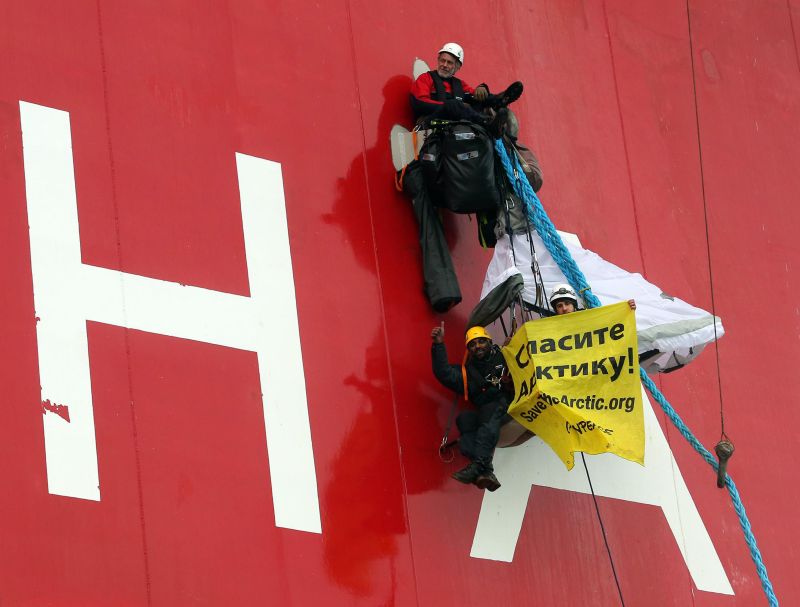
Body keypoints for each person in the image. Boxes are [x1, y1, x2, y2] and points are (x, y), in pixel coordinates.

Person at [430, 324, 514, 491]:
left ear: (490, 342)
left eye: (481, 341)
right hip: (487, 414)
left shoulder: (505, 355)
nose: (477, 346)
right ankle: (486, 472)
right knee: (465, 420)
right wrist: (438, 344)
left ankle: (478, 466)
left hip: (509, 408)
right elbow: (444, 373)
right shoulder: (467, 373)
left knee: (489, 412)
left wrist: (515, 348)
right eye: (472, 344)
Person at [410, 42, 524, 136]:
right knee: (454, 104)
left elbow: (474, 95)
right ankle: (487, 123)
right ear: (438, 60)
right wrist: (448, 107)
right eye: (442, 60)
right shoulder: (426, 78)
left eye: (449, 62)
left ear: (457, 66)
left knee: (479, 101)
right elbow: (419, 103)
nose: (444, 65)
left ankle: (501, 100)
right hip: (431, 121)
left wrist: (482, 88)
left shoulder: (459, 84)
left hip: (454, 120)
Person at [549, 283, 636, 315]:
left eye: (567, 303)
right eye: (559, 306)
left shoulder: (589, 315)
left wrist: (626, 309)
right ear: (555, 309)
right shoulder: (550, 325)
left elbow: (609, 320)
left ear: (574, 305)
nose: (564, 308)